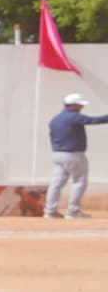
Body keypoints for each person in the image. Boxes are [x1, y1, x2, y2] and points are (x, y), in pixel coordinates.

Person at [53, 93, 92, 221]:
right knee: (79, 181)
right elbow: (93, 120)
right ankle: (73, 211)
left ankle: (50, 211)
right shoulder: (74, 117)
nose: (82, 108)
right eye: (80, 105)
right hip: (73, 154)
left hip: (57, 154)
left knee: (56, 183)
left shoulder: (56, 119)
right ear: (74, 105)